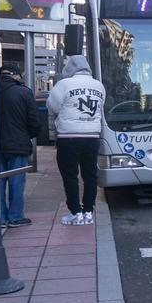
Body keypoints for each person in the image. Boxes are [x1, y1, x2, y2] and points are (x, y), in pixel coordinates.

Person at [47, 55, 105, 226]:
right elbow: (100, 108)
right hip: (92, 136)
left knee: (70, 175)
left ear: (70, 68)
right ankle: (88, 211)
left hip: (69, 136)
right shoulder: (99, 85)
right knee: (90, 175)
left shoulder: (64, 84)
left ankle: (75, 212)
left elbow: (53, 106)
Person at [0, 63, 41, 227]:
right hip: (18, 144)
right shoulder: (24, 92)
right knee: (16, 181)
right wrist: (27, 135)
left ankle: (0, 218)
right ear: (16, 75)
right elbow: (35, 121)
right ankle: (15, 217)